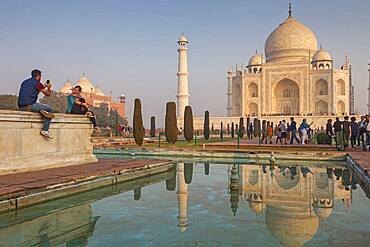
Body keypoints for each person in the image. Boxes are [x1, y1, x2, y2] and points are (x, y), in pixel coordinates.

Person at [18, 69, 54, 139]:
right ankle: (45, 130)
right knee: (50, 110)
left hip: (21, 106)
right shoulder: (37, 83)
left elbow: (34, 92)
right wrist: (49, 87)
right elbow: (48, 94)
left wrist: (43, 86)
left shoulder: (24, 82)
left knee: (43, 110)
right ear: (38, 76)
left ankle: (41, 111)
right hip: (29, 105)